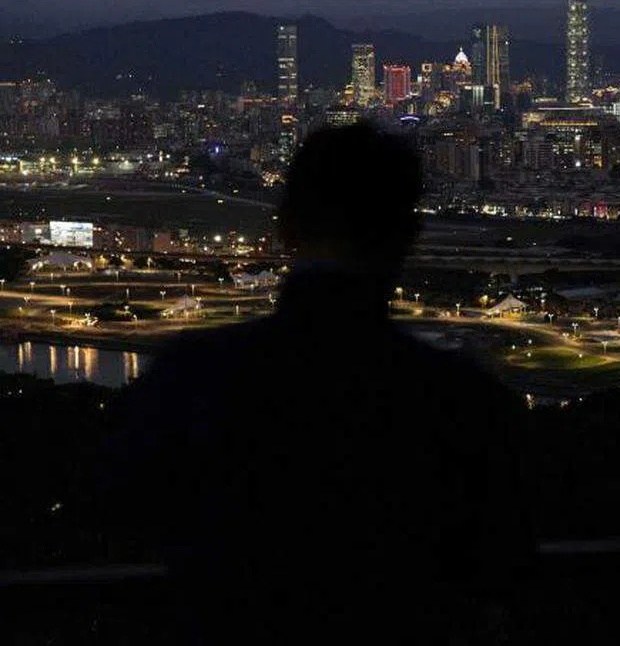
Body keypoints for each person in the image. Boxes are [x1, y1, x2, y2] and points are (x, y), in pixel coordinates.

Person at [98, 123, 532, 644]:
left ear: (285, 227)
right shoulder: (466, 401)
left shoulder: (190, 376)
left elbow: (120, 516)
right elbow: (500, 568)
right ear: (408, 236)